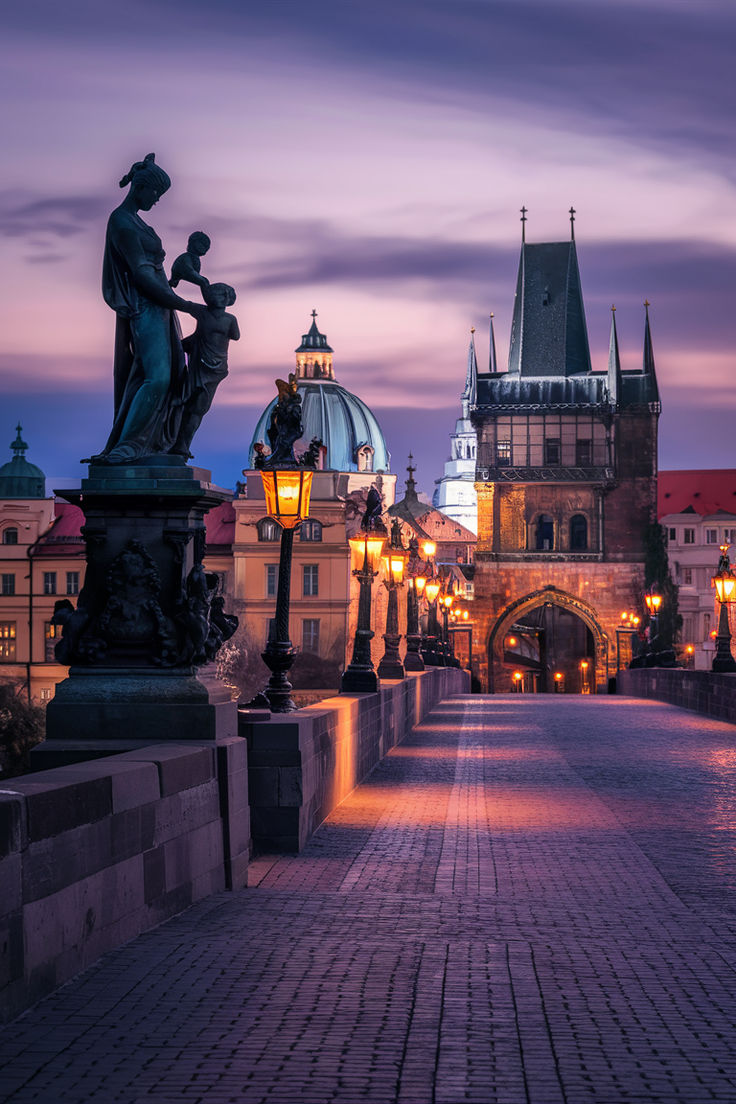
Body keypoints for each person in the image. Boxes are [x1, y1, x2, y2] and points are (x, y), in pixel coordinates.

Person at [97, 153, 206, 464]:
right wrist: (185, 305)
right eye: (156, 194)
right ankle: (127, 447)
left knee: (171, 377)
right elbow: (143, 275)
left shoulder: (136, 222)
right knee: (156, 377)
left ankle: (153, 444)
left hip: (161, 307)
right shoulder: (121, 221)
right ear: (141, 187)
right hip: (144, 306)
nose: (157, 200)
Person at [173, 282, 240, 457]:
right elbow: (180, 303)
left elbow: (236, 336)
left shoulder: (230, 319)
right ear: (209, 296)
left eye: (226, 295)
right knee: (184, 402)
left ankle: (183, 444)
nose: (223, 298)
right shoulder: (202, 312)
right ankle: (175, 442)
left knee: (199, 408)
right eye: (219, 294)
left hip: (215, 368)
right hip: (198, 363)